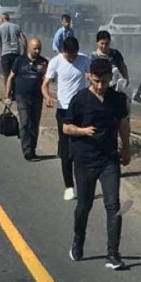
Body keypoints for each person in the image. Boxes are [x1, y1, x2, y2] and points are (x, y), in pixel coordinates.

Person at [65, 59, 132, 271]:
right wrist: (82, 131)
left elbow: (123, 124)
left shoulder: (117, 99)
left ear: (110, 79)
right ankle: (78, 240)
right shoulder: (80, 100)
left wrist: (127, 148)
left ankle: (113, 254)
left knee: (113, 205)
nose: (100, 86)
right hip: (85, 160)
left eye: (104, 81)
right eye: (96, 81)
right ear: (89, 77)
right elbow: (66, 127)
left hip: (109, 159)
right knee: (85, 205)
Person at [45, 37, 91, 201]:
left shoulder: (85, 59)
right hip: (63, 109)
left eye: (74, 55)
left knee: (82, 147)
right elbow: (45, 84)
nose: (71, 58)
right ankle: (69, 185)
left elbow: (91, 77)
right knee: (66, 149)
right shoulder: (55, 62)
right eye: (68, 55)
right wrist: (47, 97)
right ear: (63, 51)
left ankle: (84, 183)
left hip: (81, 109)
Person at [3, 38, 49, 161]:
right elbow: (10, 77)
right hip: (22, 96)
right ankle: (27, 150)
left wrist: (45, 73)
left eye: (39, 48)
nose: (37, 51)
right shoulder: (20, 60)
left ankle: (32, 149)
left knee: (34, 123)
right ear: (29, 47)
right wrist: (8, 95)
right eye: (35, 48)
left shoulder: (43, 62)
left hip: (37, 97)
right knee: (25, 121)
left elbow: (48, 80)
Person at [0, 12, 27, 85]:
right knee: (16, 73)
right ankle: (15, 91)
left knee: (6, 74)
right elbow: (23, 40)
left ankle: (8, 92)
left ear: (2, 19)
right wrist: (25, 52)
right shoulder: (16, 27)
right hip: (16, 53)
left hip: (5, 54)